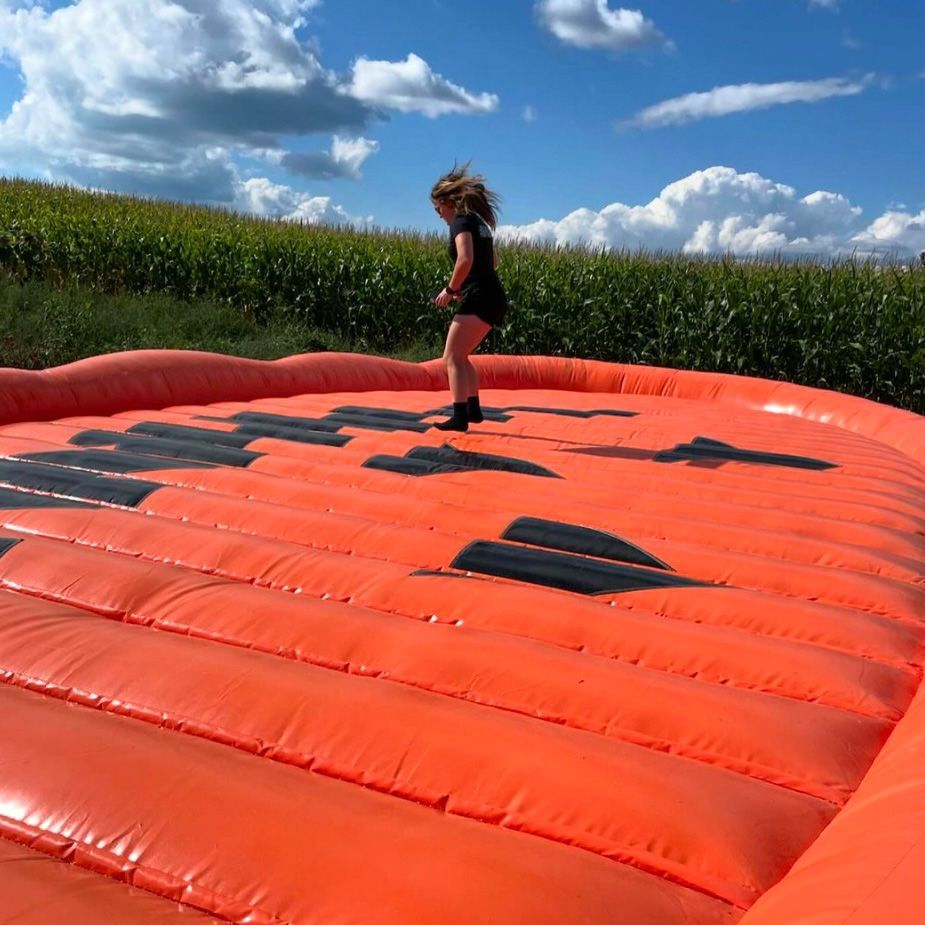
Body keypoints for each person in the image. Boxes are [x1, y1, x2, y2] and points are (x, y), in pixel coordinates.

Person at [431, 163, 509, 432]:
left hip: (481, 297)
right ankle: (473, 410)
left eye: (437, 209)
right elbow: (493, 261)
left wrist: (451, 290)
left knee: (451, 356)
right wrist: (466, 287)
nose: (438, 216)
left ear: (446, 202)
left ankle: (459, 417)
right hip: (492, 296)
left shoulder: (461, 222)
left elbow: (465, 258)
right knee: (462, 356)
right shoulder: (479, 223)